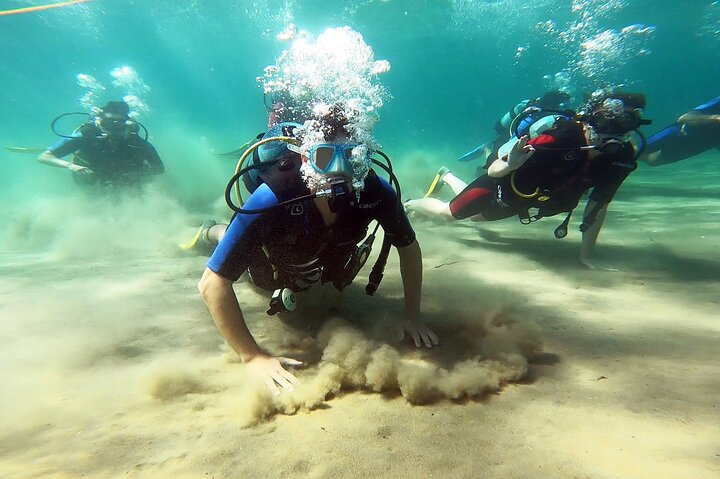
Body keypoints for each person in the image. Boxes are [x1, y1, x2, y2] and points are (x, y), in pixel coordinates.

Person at [196, 108, 438, 395]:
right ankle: (213, 232)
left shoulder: (377, 191)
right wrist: (252, 356)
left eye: (350, 157)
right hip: (271, 256)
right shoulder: (273, 194)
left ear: (363, 158)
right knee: (254, 269)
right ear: (305, 158)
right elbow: (211, 283)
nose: (339, 170)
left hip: (324, 251)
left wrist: (413, 314)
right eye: (324, 157)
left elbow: (409, 248)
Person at [405, 92, 650, 270]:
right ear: (592, 119)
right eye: (608, 123)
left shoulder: (620, 158)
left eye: (625, 127)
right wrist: (511, 164)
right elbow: (493, 170)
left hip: (524, 200)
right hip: (500, 185)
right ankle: (406, 204)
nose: (613, 136)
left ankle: (446, 175)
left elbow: (598, 206)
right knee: (450, 214)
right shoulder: (559, 138)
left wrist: (587, 256)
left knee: (472, 219)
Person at [38, 101, 164, 189]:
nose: (114, 129)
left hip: (125, 183)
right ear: (99, 123)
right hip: (90, 181)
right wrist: (72, 166)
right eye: (108, 124)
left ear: (127, 125)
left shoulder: (135, 141)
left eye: (119, 124)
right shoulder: (87, 135)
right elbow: (45, 157)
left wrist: (136, 174)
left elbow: (159, 168)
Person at [457, 90, 573, 172]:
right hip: (512, 141)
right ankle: (486, 148)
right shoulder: (549, 117)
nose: (565, 108)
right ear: (557, 104)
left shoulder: (539, 111)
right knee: (492, 163)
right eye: (564, 105)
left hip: (518, 140)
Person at [641, 96, 720, 167]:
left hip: (698, 146)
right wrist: (715, 118)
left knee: (652, 161)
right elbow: (684, 118)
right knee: (636, 149)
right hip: (678, 133)